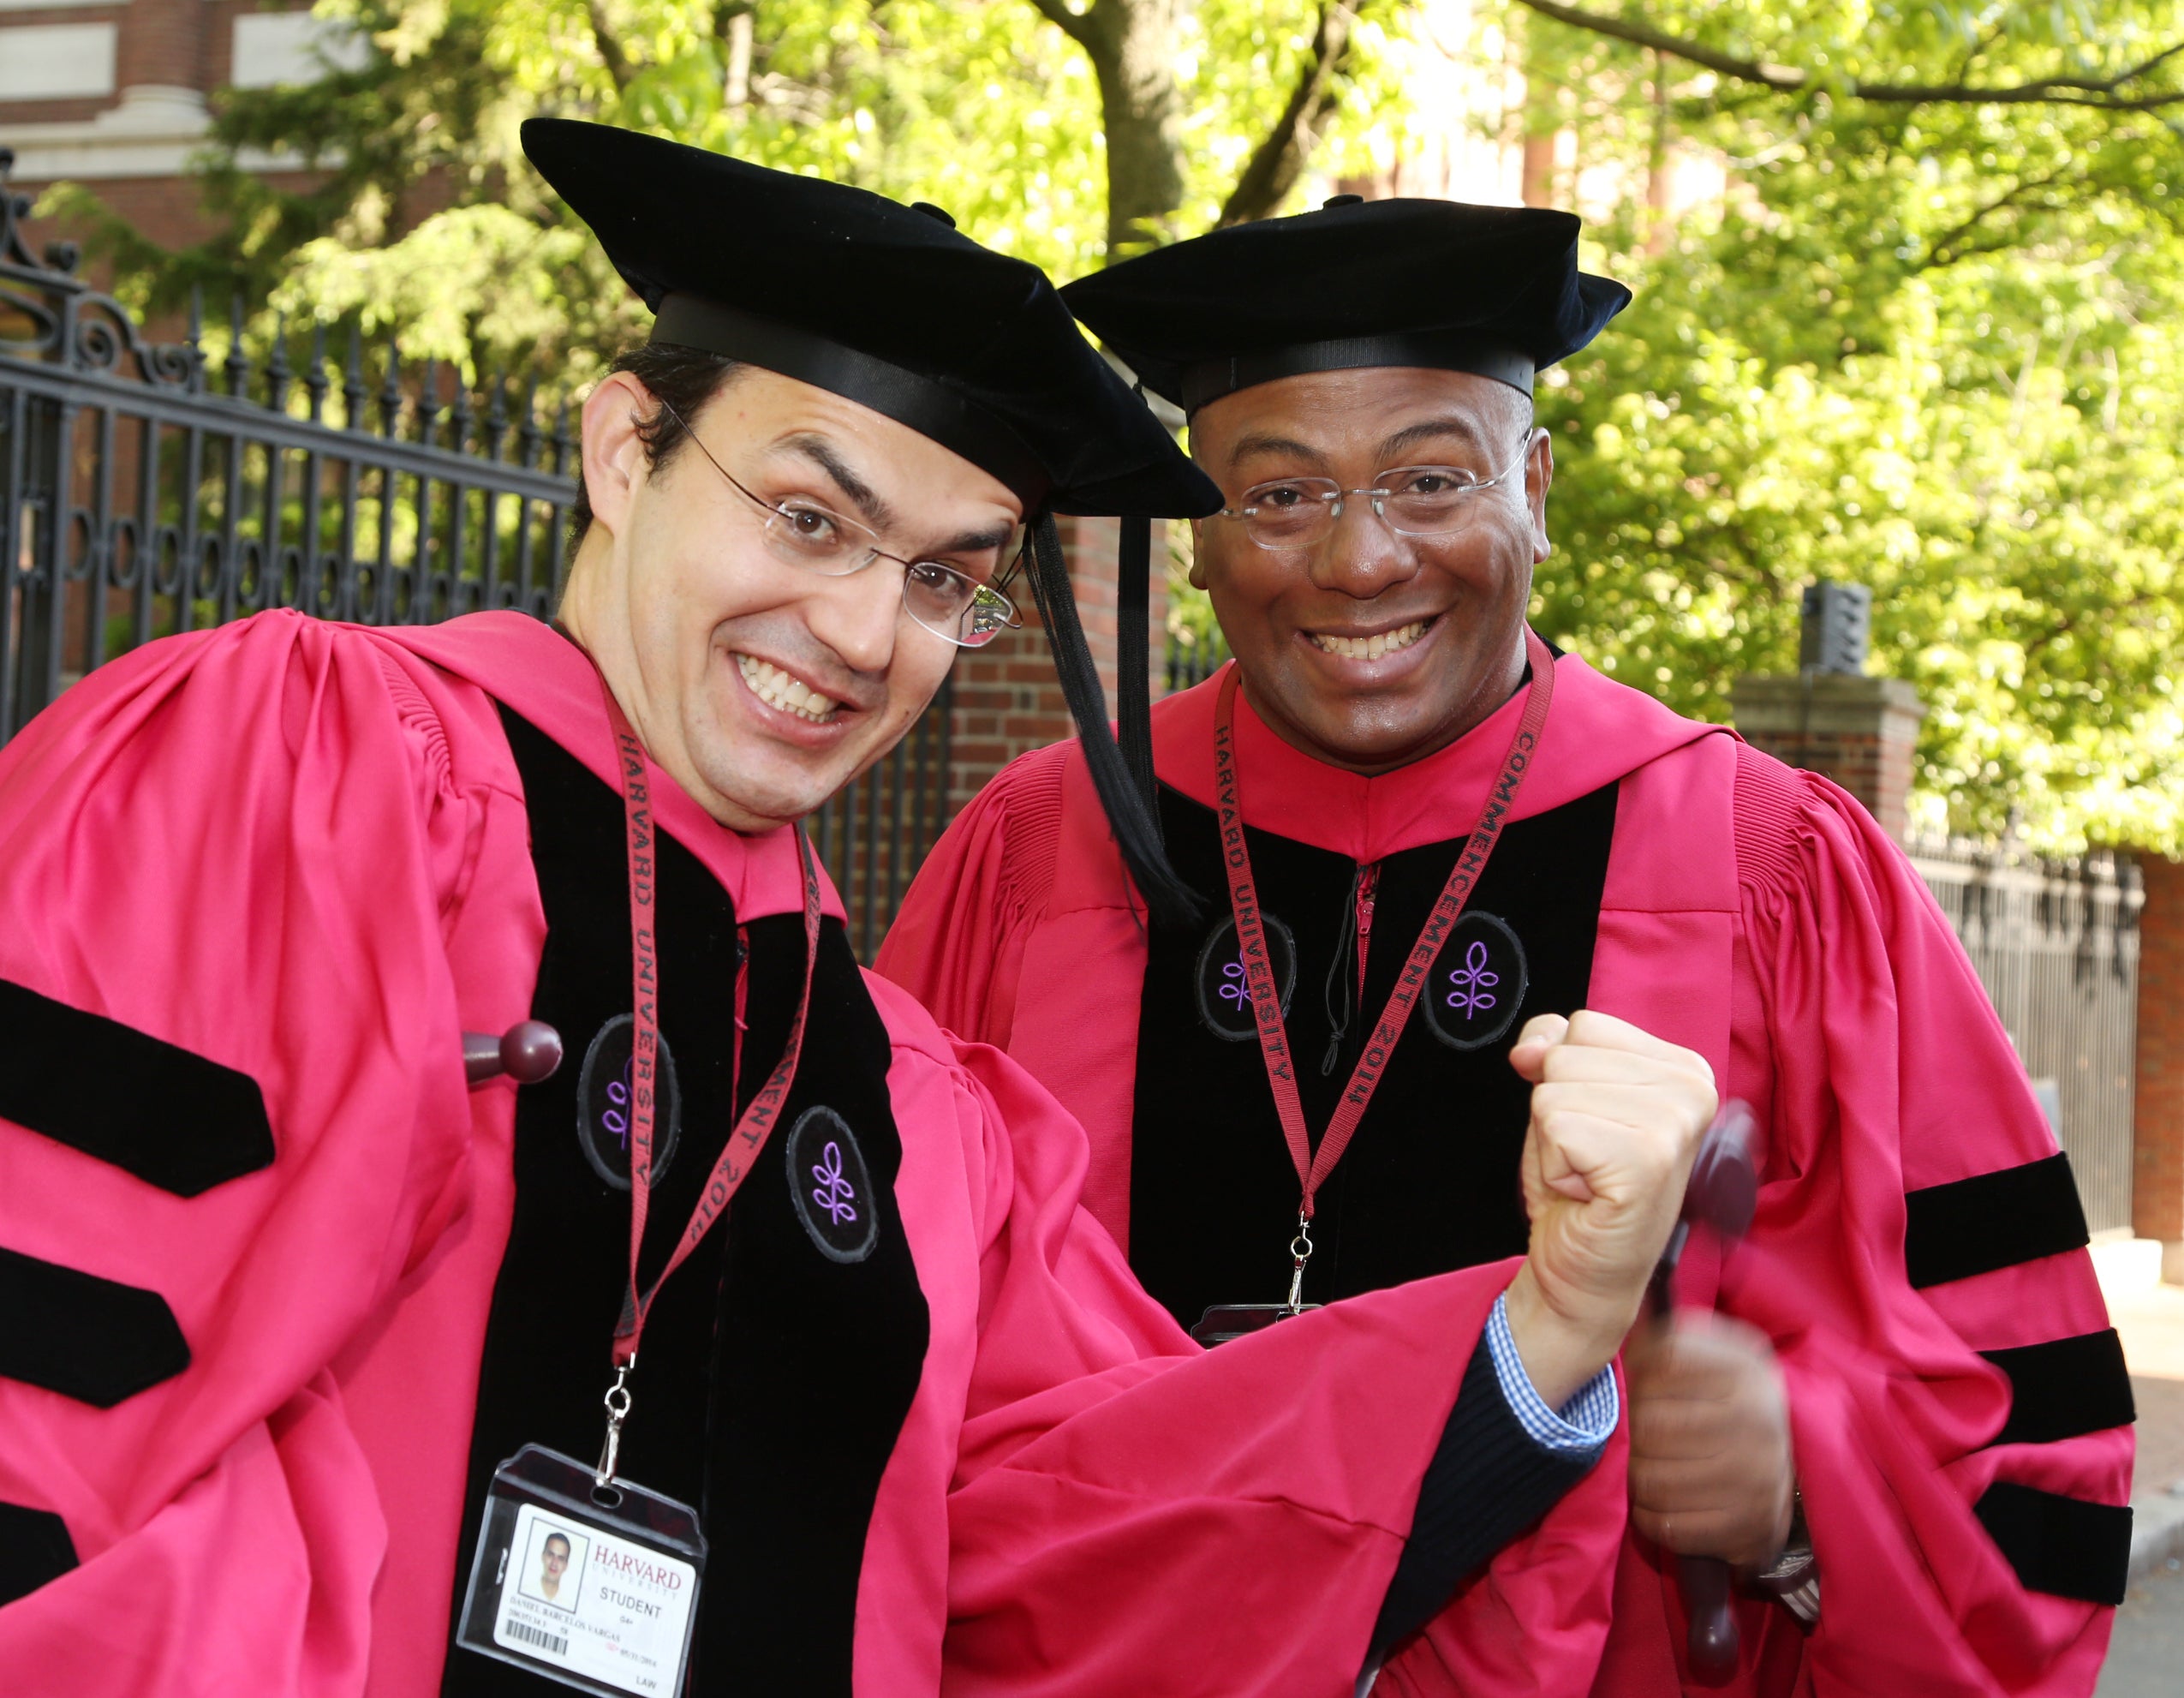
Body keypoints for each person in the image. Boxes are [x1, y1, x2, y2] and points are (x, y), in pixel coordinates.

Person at [0, 129, 1716, 1697]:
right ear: (621, 449)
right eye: (810, 516)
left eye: (946, 578)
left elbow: (1120, 1526)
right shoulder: (307, 774)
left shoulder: (917, 1109)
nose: (860, 628)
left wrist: (1555, 1315)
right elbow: (66, 1412)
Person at [878, 195, 2138, 1695]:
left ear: (1531, 484)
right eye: (1277, 495)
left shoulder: (1772, 869)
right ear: (1194, 535)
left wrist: (1807, 1495)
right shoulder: (1030, 859)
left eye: (1428, 476)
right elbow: (865, 1361)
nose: (1359, 558)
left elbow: (2041, 1435)